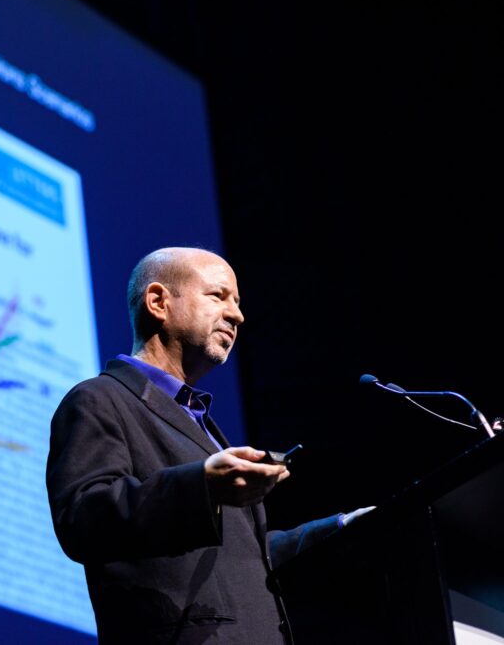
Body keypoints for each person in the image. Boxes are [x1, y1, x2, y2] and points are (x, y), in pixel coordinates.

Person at [46, 247, 370, 644]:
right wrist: (202, 485)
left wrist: (340, 529)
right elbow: (83, 518)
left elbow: (243, 560)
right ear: (158, 302)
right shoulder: (100, 399)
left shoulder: (202, 423)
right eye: (219, 296)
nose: (237, 315)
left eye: (237, 302)